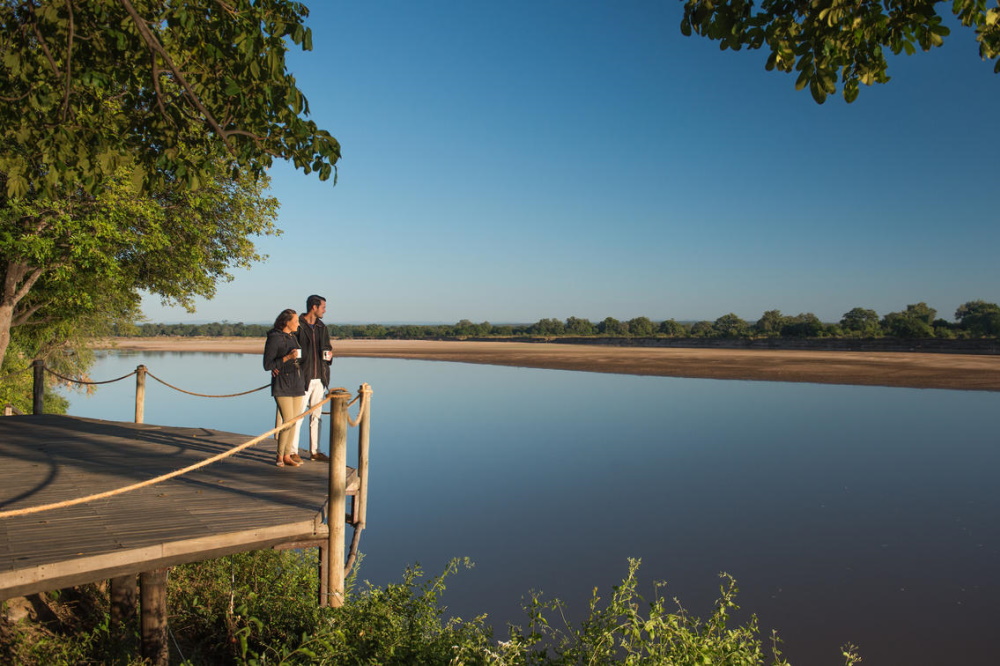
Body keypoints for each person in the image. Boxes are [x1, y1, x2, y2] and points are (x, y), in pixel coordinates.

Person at [263, 308, 305, 467]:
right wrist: (287, 357)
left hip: (296, 381)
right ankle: (279, 456)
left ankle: (288, 455)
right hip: (282, 382)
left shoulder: (293, 337)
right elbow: (268, 365)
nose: (298, 324)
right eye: (295, 321)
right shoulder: (274, 338)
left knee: (294, 421)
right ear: (286, 322)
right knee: (288, 420)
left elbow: (298, 357)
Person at [294, 294, 334, 461]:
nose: (325, 310)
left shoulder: (322, 327)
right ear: (314, 307)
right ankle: (292, 452)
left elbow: (327, 347)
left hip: (320, 378)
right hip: (303, 378)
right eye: (323, 307)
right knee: (297, 416)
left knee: (316, 416)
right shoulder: (297, 325)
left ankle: (315, 451)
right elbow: (292, 350)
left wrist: (330, 356)